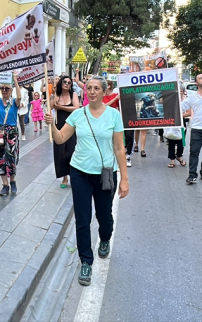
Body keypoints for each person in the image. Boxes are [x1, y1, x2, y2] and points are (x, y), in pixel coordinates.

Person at [45, 76, 128, 286]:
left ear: (104, 91)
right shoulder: (78, 115)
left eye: (96, 88)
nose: (92, 91)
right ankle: (86, 262)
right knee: (82, 220)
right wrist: (52, 125)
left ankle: (105, 238)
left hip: (105, 175)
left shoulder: (114, 115)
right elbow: (60, 138)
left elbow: (119, 148)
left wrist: (124, 180)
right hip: (79, 172)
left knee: (105, 218)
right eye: (89, 88)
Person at [0, 72, 22, 196]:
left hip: (12, 132)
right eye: (2, 88)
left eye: (7, 88)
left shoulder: (14, 102)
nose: (4, 90)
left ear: (11, 90)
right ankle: (5, 185)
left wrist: (15, 81)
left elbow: (19, 96)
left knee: (11, 158)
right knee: (0, 158)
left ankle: (12, 181)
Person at [52, 75, 80, 189]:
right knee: (60, 153)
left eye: (69, 82)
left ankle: (72, 174)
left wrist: (62, 107)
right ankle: (64, 177)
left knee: (71, 151)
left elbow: (77, 108)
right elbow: (51, 106)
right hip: (59, 125)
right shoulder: (57, 95)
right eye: (65, 82)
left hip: (71, 126)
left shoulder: (73, 95)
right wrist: (53, 92)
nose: (67, 84)